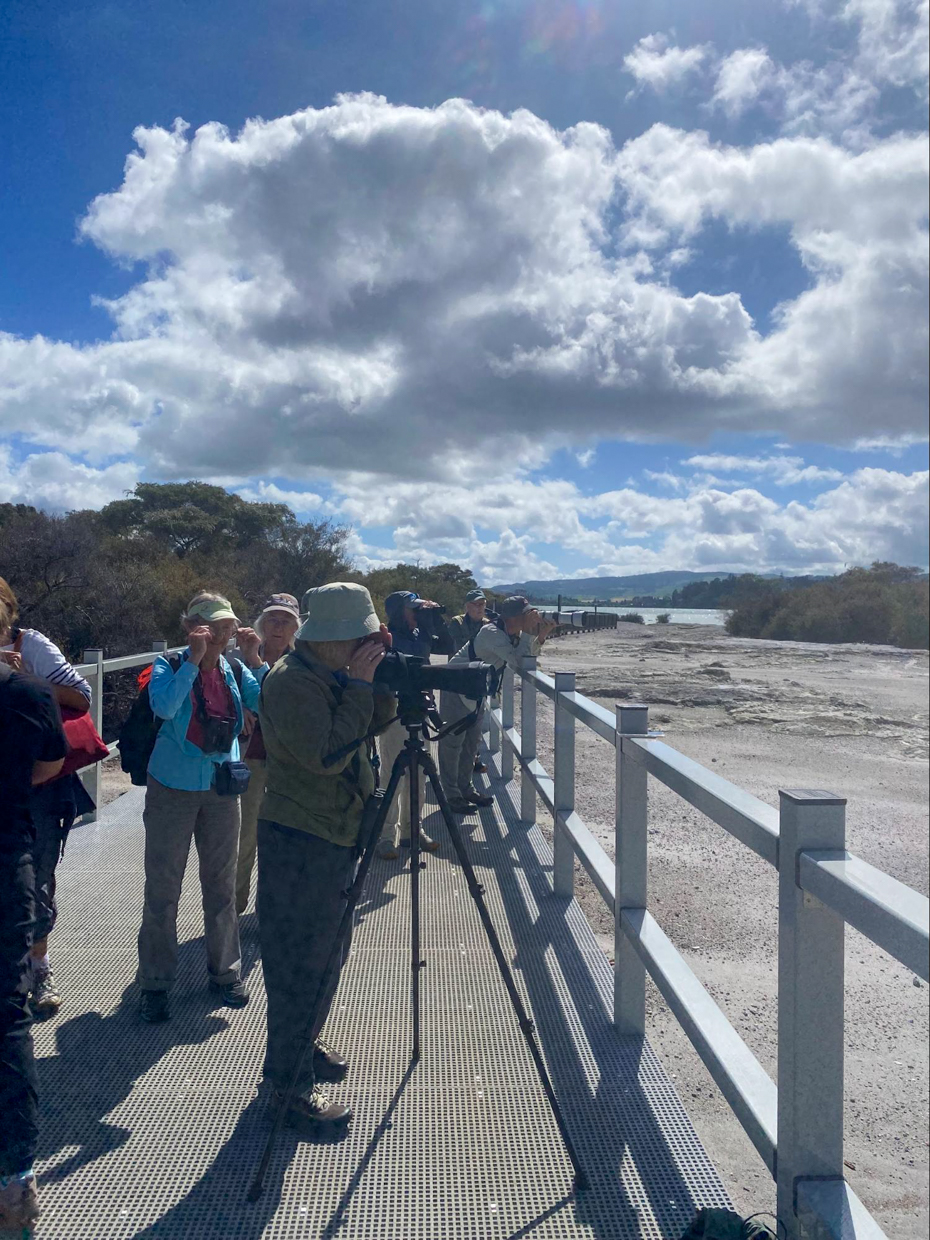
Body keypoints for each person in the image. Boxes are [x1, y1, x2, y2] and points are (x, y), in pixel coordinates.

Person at [257, 582, 395, 1133]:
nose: (366, 646)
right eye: (360, 639)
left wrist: (376, 682)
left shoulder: (332, 674)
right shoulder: (292, 683)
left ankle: (303, 1046)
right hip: (300, 837)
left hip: (335, 831)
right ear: (333, 640)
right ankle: (287, 1088)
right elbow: (327, 755)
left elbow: (376, 724)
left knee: (329, 954)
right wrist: (361, 684)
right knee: (299, 964)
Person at [136, 593, 267, 1023]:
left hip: (220, 788)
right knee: (162, 890)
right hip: (172, 787)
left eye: (225, 627)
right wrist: (193, 661)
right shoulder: (169, 664)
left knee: (222, 887)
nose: (219, 636)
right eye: (209, 627)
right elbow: (165, 706)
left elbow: (265, 703)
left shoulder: (233, 667)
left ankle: (226, 974)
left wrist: (256, 659)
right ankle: (155, 984)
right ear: (190, 626)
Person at [0, 594, 68, 1234]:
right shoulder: (26, 694)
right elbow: (47, 766)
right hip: (5, 865)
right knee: (7, 1019)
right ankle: (14, 1181)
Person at [0, 577, 94, 1017]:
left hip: (35, 783)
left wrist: (25, 678)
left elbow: (82, 695)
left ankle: (39, 968)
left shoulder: (30, 644)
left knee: (35, 878)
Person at [233, 593, 301, 917]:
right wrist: (240, 710)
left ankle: (268, 912)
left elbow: (282, 705)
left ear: (296, 627)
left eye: (286, 620)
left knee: (278, 839)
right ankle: (234, 910)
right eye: (272, 619)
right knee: (246, 836)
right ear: (261, 624)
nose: (278, 626)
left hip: (287, 762)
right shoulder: (238, 659)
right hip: (250, 759)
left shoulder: (301, 664)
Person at [376, 590, 455, 860]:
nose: (418, 613)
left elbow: (448, 646)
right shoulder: (389, 638)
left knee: (419, 776)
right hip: (396, 711)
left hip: (420, 708)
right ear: (400, 611)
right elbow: (411, 658)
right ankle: (385, 836)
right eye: (414, 609)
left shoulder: (422, 633)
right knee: (392, 776)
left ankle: (412, 831)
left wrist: (435, 620)